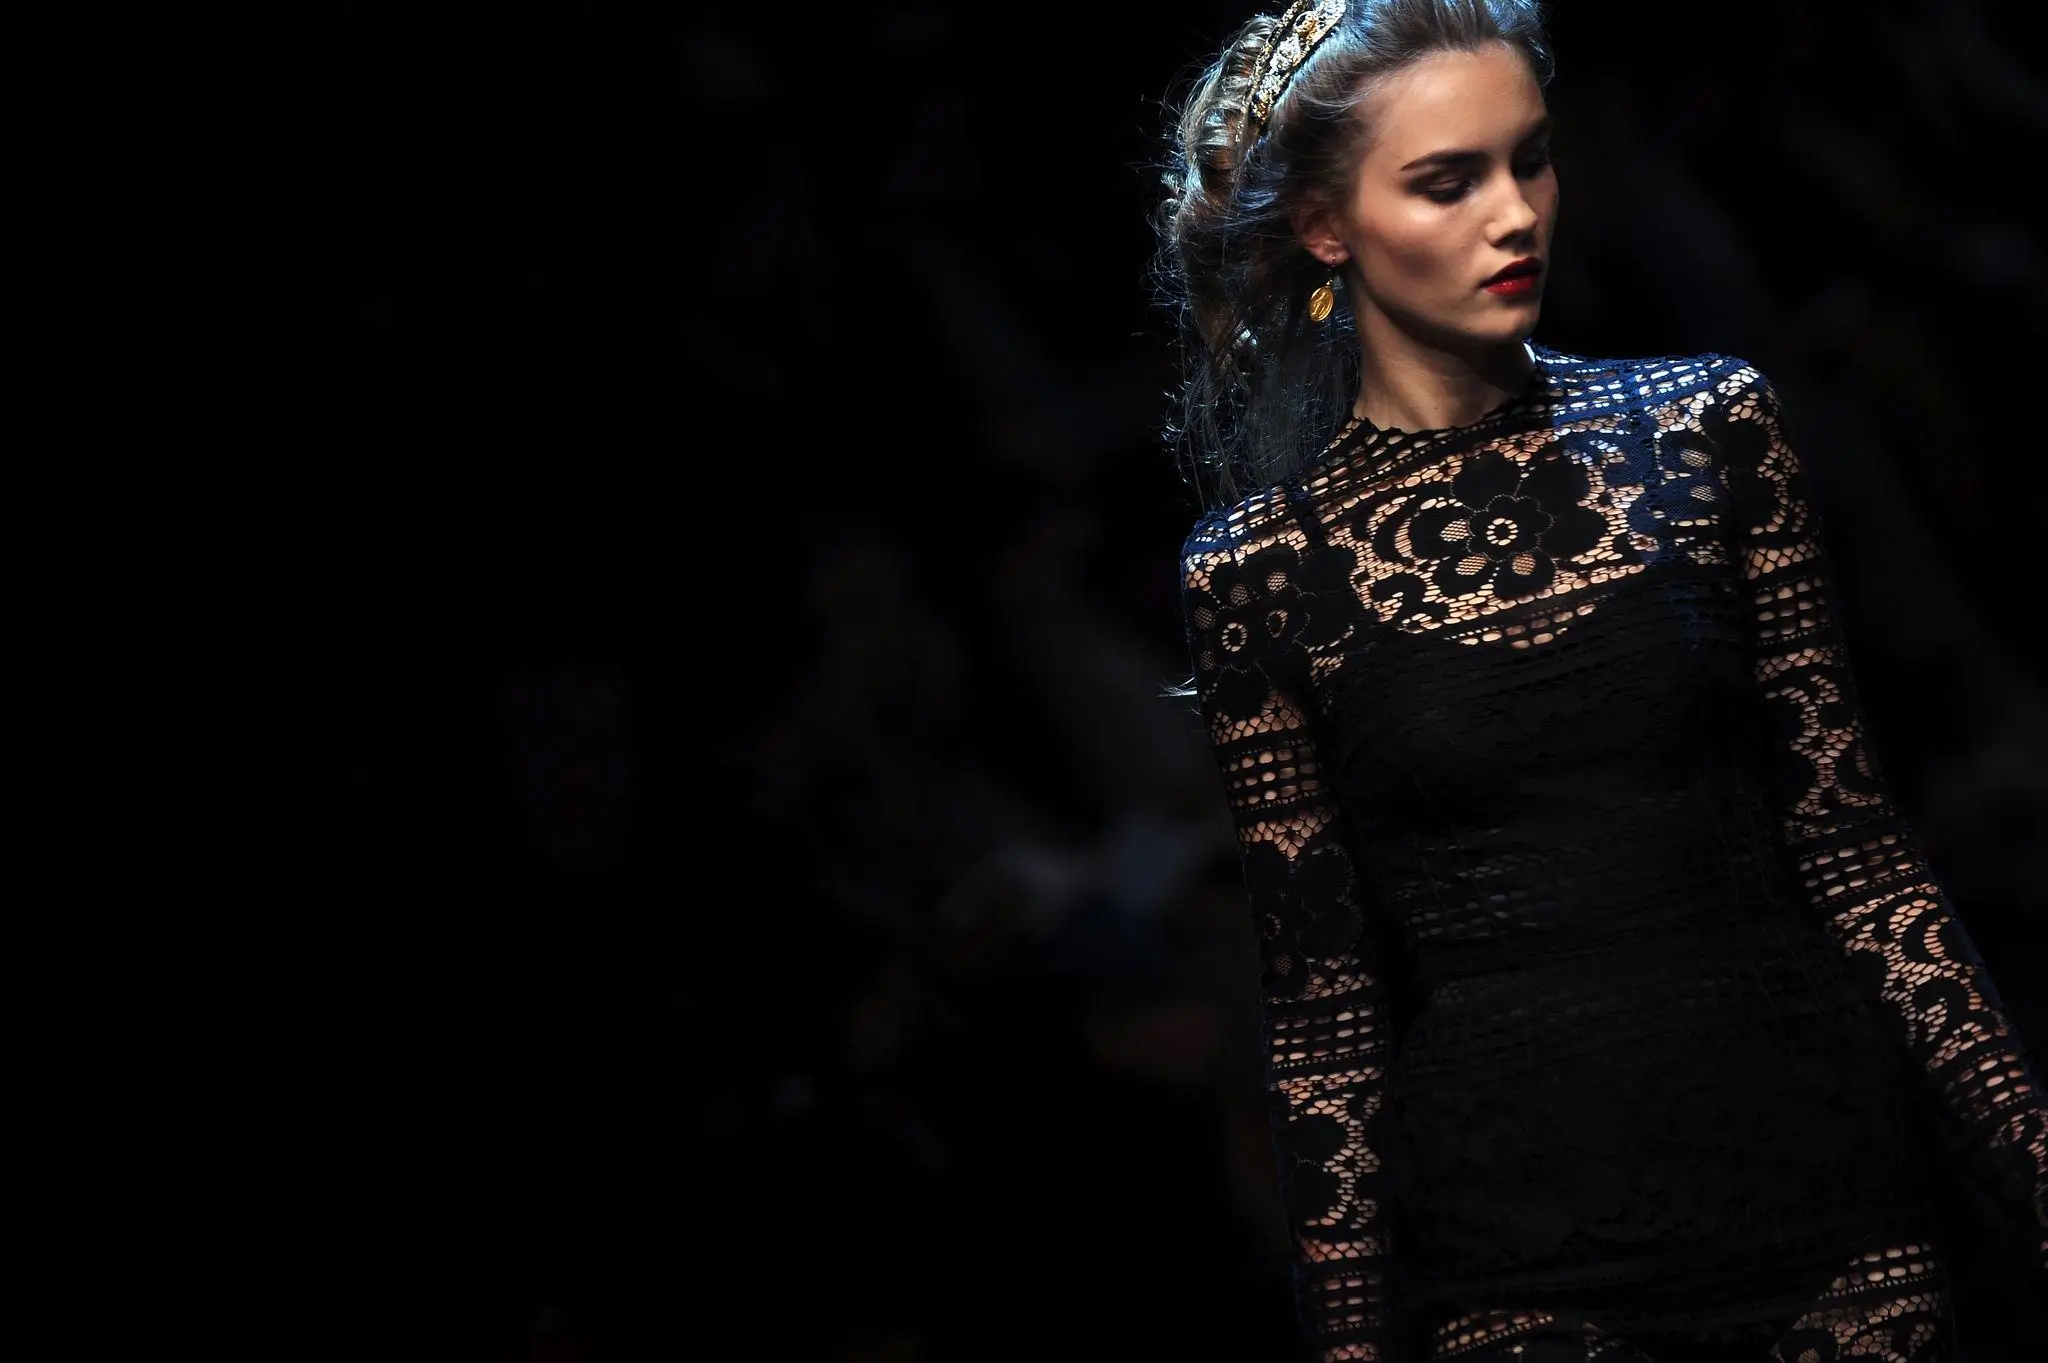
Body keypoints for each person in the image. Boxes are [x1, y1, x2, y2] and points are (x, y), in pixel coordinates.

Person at [1150, 2, 2048, 1360]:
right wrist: (1347, 1344)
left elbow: (1856, 854)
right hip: (1517, 1252)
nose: (1515, 214)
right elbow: (1327, 1010)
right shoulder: (1258, 574)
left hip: (1821, 1193)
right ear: (1326, 229)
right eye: (1448, 181)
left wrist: (2034, 1171)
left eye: (1531, 159)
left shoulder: (1708, 428)